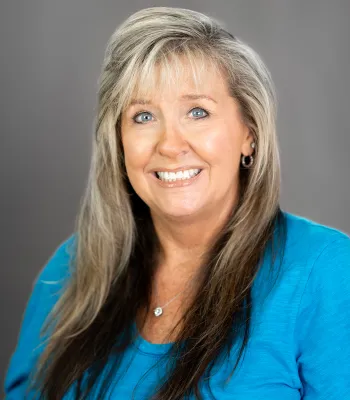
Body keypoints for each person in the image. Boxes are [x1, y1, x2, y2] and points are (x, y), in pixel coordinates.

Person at [4, 6, 350, 400]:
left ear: (248, 135)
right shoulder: (75, 269)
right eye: (143, 116)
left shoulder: (327, 273)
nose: (169, 145)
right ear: (117, 142)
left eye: (198, 112)